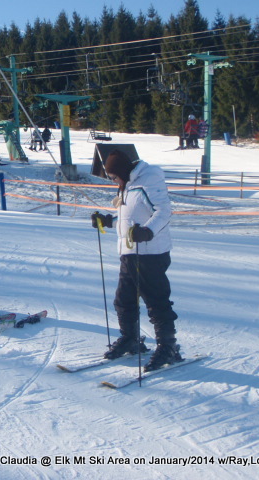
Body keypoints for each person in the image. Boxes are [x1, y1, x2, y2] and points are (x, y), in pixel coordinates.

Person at [91, 149, 182, 372]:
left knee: (156, 301)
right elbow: (129, 219)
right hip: (129, 253)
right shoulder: (128, 186)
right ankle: (130, 338)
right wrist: (107, 221)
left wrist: (148, 231)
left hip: (150, 253)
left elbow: (163, 211)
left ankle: (167, 347)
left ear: (123, 171)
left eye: (113, 177)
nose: (113, 181)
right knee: (123, 299)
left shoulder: (149, 181)